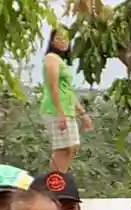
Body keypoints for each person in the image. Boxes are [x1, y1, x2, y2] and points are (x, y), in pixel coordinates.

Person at [41, 27, 93, 172]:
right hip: (54, 109)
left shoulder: (62, 61)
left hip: (67, 108)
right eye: (58, 38)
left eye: (66, 38)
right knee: (63, 149)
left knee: (72, 147)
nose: (63, 41)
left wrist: (83, 114)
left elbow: (68, 91)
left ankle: (59, 179)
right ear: (52, 41)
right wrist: (60, 113)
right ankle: (54, 184)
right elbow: (53, 87)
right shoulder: (51, 58)